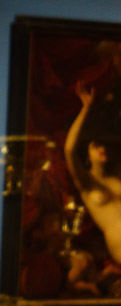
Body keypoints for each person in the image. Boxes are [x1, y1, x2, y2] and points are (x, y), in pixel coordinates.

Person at [64, 81, 121, 266]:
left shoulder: (116, 175)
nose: (102, 149)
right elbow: (69, 150)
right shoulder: (86, 183)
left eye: (103, 145)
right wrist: (86, 109)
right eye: (96, 146)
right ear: (87, 154)